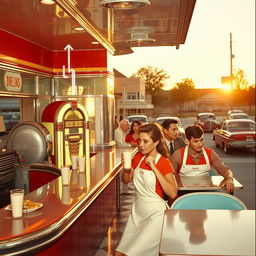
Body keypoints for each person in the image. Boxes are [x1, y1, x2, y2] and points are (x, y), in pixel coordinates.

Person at [114, 123, 178, 256]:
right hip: (137, 212)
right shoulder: (138, 158)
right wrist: (126, 168)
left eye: (145, 141)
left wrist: (154, 167)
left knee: (132, 253)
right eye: (139, 141)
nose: (141, 145)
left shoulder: (164, 162)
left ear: (156, 142)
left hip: (156, 214)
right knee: (119, 253)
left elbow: (172, 192)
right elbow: (126, 180)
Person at [171, 124, 235, 194]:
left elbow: (224, 170)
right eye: (196, 141)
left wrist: (229, 179)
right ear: (187, 141)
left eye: (201, 140)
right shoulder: (178, 155)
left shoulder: (210, 154)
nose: (200, 144)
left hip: (206, 191)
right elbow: (169, 178)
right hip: (184, 192)